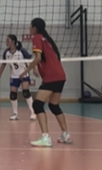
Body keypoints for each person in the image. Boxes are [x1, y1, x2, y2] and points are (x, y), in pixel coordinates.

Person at [25, 17, 72, 147]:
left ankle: (45, 137)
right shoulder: (47, 39)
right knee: (54, 106)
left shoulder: (37, 38)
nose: (29, 28)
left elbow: (38, 58)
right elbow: (41, 58)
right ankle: (66, 134)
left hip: (52, 77)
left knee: (37, 105)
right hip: (60, 75)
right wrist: (35, 68)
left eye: (30, 26)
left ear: (35, 28)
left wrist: (26, 71)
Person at [0, 34, 36, 121]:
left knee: (26, 92)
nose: (6, 42)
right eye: (6, 41)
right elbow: (4, 64)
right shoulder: (6, 53)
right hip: (14, 76)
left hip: (24, 74)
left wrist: (34, 70)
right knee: (13, 94)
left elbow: (31, 60)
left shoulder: (21, 51)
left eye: (8, 41)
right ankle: (15, 113)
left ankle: (33, 112)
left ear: (13, 42)